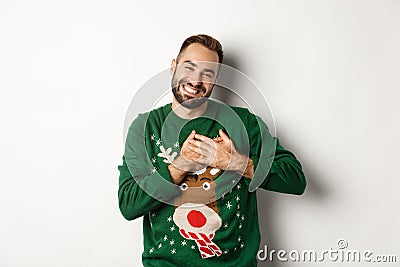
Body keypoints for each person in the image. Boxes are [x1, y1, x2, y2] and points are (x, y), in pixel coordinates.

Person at [118, 34, 306, 266]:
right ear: (173, 67)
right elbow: (128, 205)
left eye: (207, 74)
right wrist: (179, 167)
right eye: (189, 68)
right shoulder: (145, 127)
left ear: (216, 80)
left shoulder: (245, 123)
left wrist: (235, 163)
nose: (196, 80)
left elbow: (295, 180)